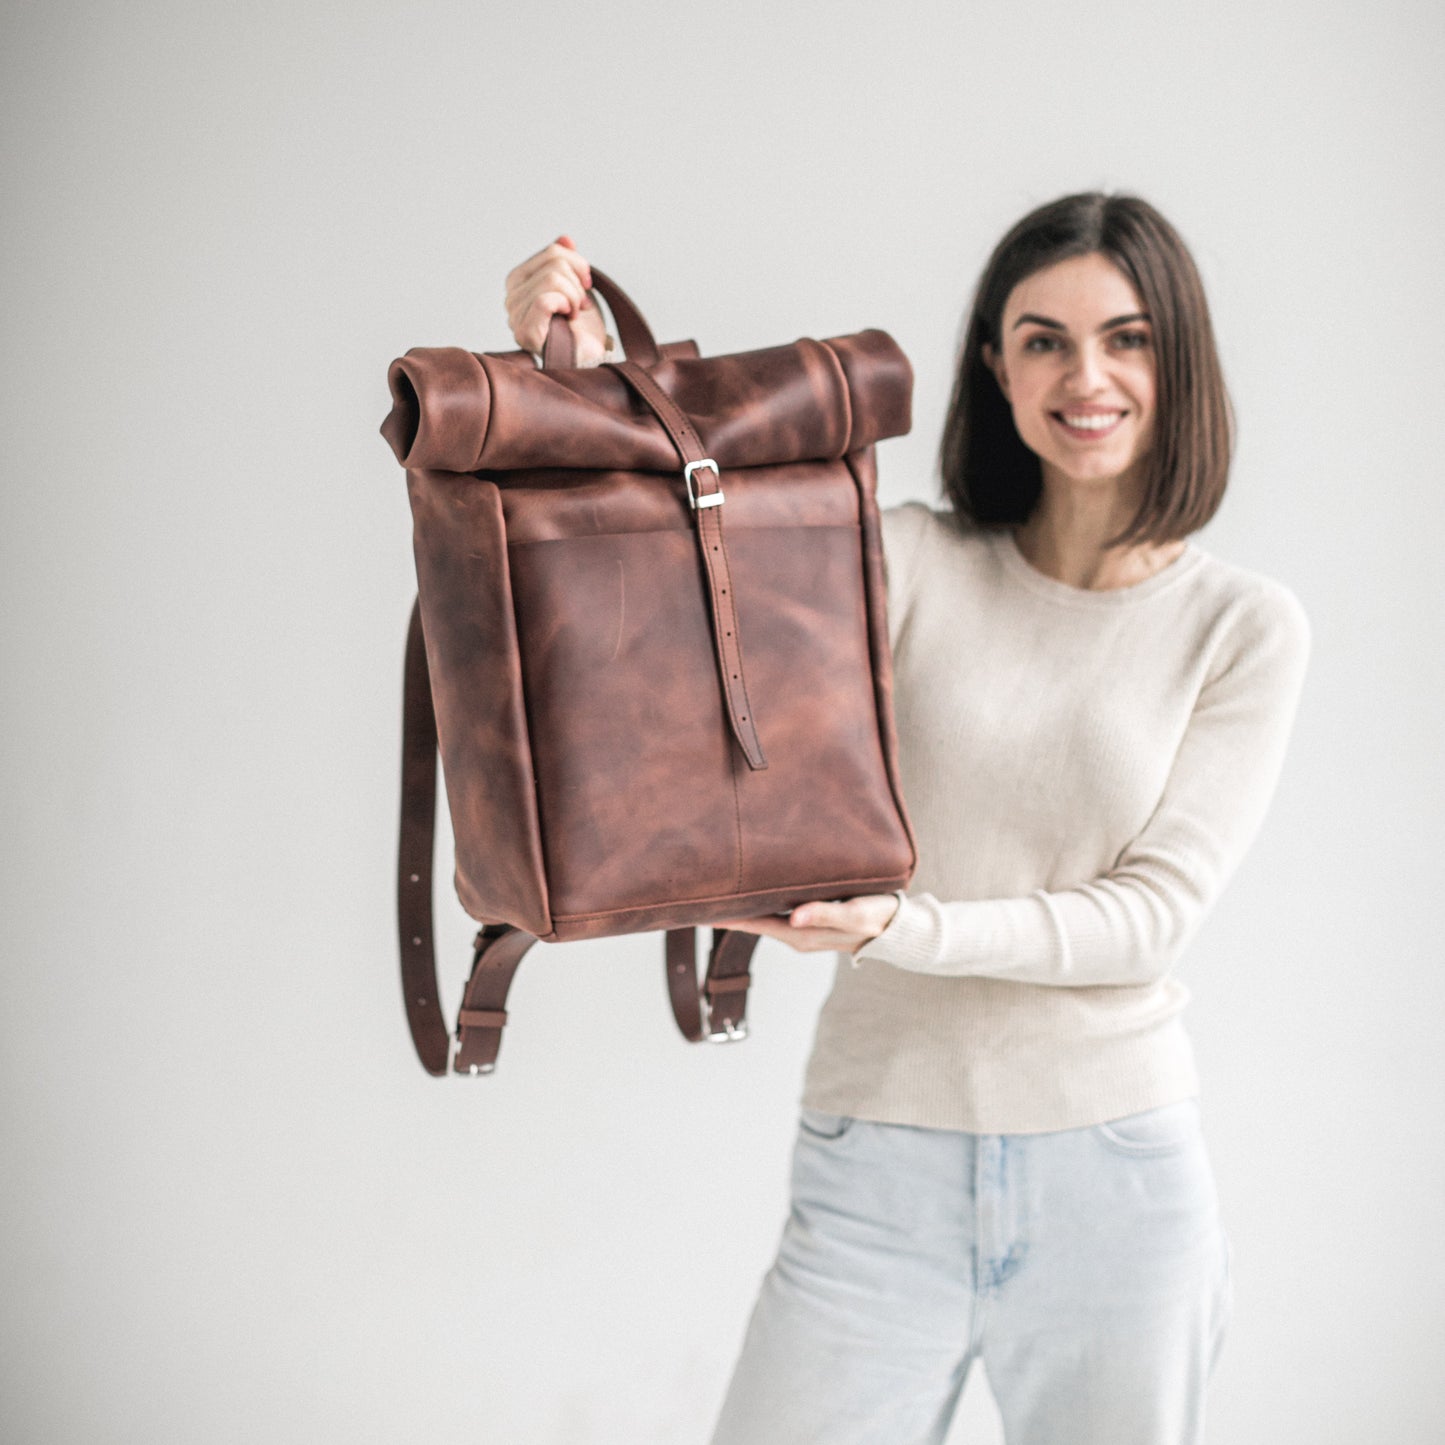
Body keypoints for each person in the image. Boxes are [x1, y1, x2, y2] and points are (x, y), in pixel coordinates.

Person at [503, 195, 1310, 1445]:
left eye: (1127, 339)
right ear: (993, 364)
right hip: (876, 1152)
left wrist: (901, 926)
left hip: (1115, 1175)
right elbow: (663, 606)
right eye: (1041, 339)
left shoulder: (1240, 627)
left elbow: (1150, 918)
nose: (1084, 376)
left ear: (1179, 360)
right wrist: (572, 377)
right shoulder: (909, 561)